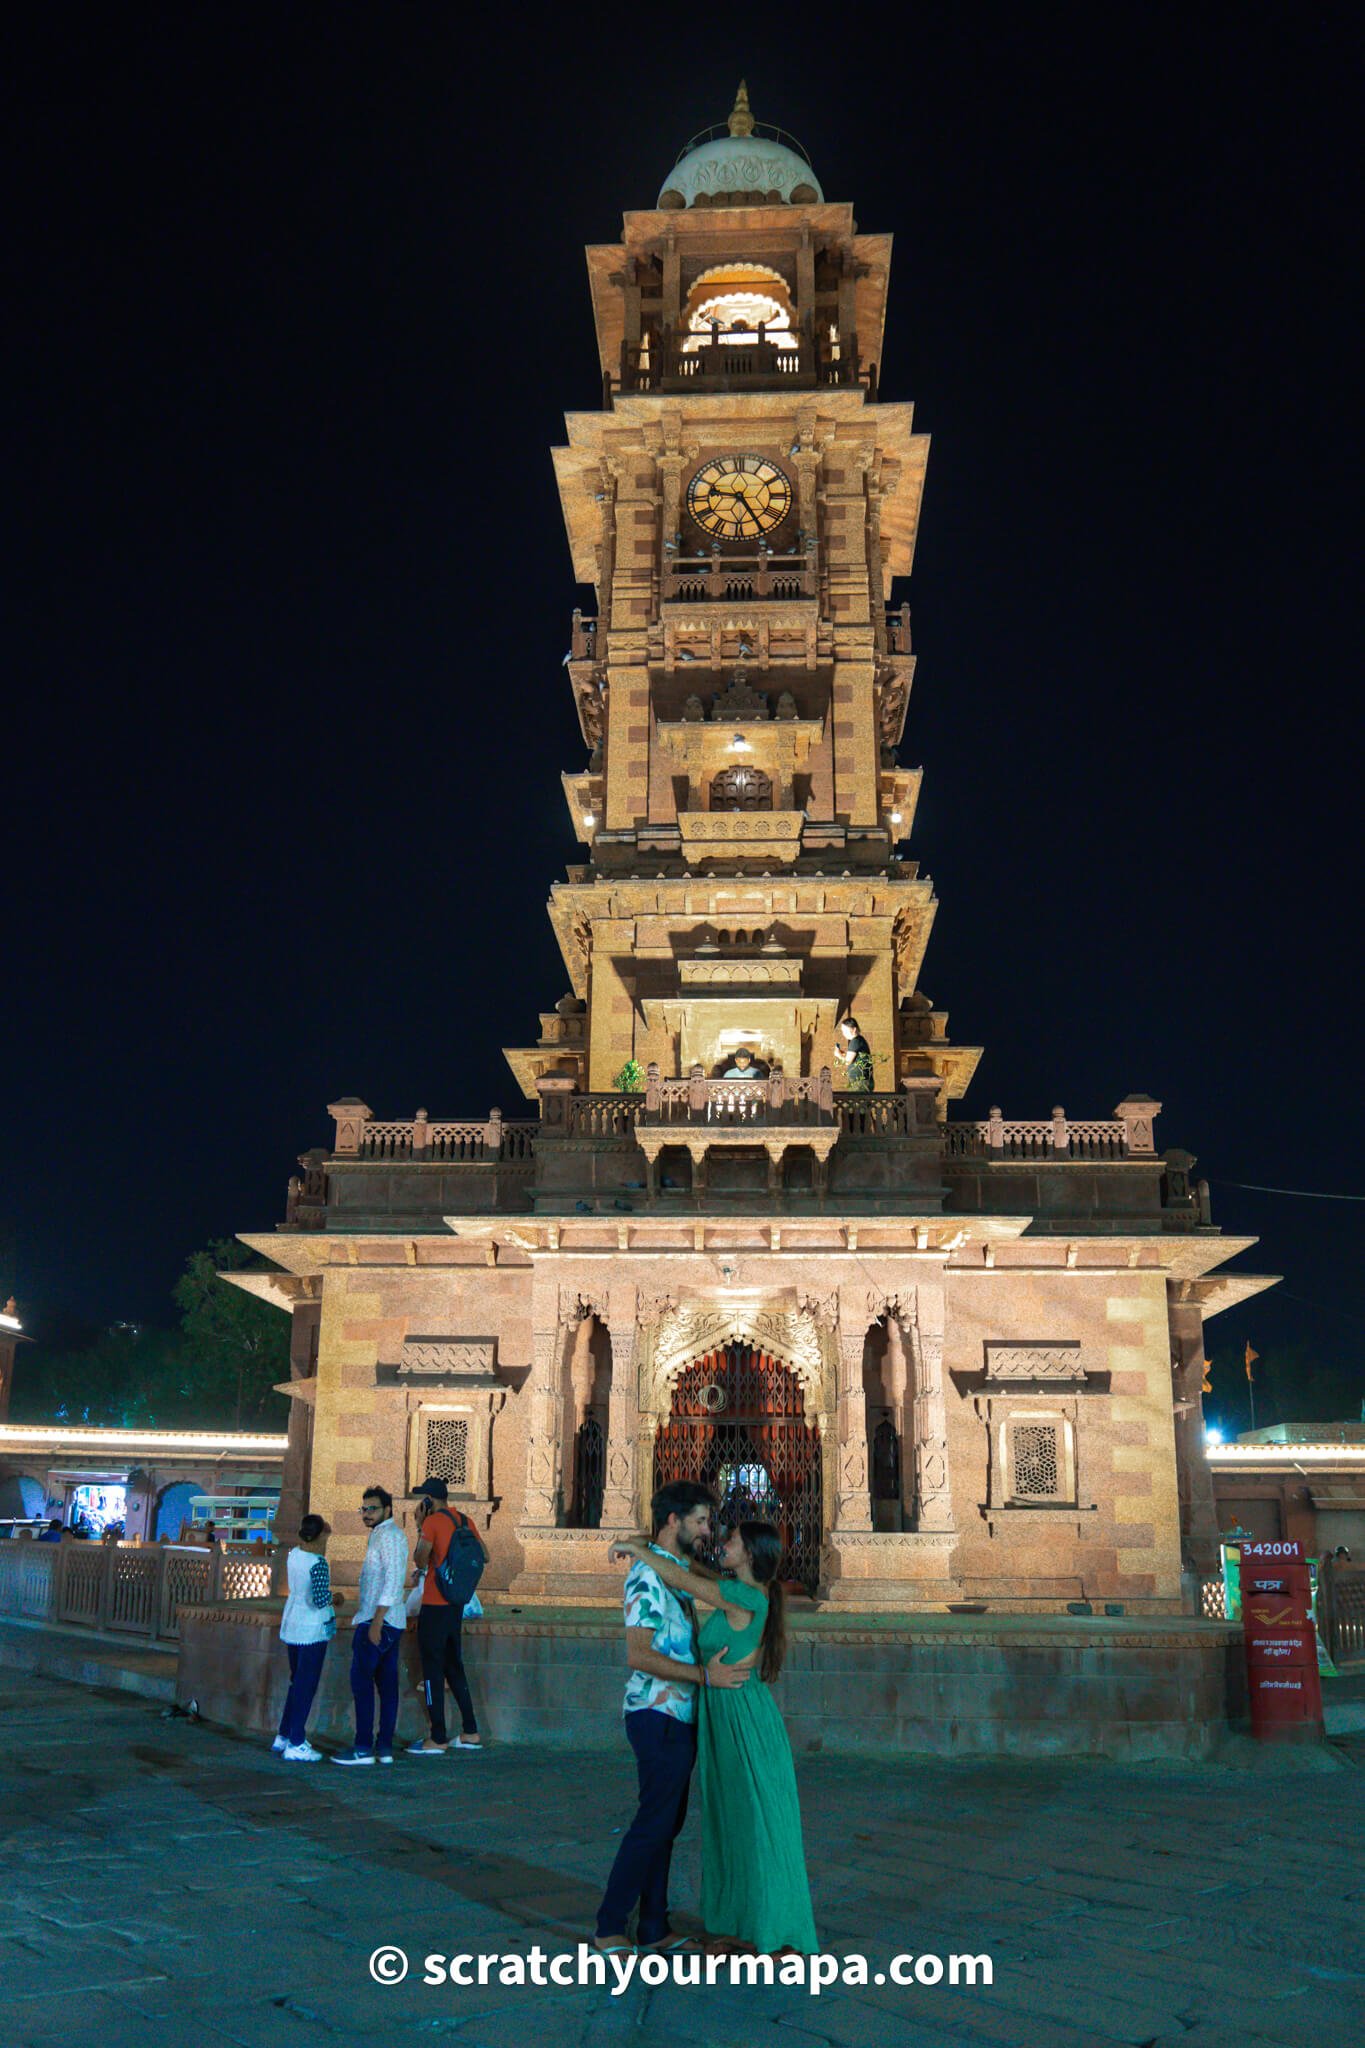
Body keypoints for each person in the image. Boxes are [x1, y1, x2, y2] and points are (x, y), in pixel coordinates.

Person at [612, 1519, 817, 1956]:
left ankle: (769, 1929)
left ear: (750, 1554)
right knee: (735, 1824)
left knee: (755, 1825)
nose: (722, 1543)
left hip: (744, 1723)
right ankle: (744, 1925)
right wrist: (657, 1547)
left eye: (732, 1541)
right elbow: (698, 1575)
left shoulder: (744, 1596)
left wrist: (636, 1549)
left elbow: (683, 1578)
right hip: (729, 1719)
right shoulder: (745, 1590)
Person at [594, 1482, 749, 1956]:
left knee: (667, 1821)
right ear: (673, 1521)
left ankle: (654, 1926)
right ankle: (608, 1925)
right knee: (654, 1821)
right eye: (700, 1521)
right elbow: (638, 1655)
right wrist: (704, 1675)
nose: (707, 1530)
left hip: (678, 1714)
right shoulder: (645, 1578)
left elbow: (700, 1578)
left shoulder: (673, 1570)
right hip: (655, 1714)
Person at [409, 1477, 488, 1755]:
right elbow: (485, 1555)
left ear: (430, 1500)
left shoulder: (431, 1523)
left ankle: (437, 1737)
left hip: (434, 1603)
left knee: (432, 1670)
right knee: (454, 1666)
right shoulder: (465, 1520)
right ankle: (470, 1732)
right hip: (456, 1604)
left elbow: (420, 1559)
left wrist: (421, 1527)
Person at [333, 1484, 409, 1767]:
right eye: (363, 1509)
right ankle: (384, 1748)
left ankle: (364, 1747)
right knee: (387, 1686)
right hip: (390, 1621)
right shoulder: (384, 1535)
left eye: (372, 1508)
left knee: (362, 1683)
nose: (366, 1513)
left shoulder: (388, 1536)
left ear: (387, 1510)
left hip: (379, 1621)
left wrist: (376, 1621)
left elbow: (393, 1579)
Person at [273, 1513, 336, 1761]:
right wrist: (336, 1598)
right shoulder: (317, 1562)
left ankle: (284, 1735)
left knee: (295, 1682)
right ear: (320, 1536)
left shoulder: (294, 1555)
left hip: (293, 1623)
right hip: (311, 1629)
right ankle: (296, 1742)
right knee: (305, 1685)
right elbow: (320, 1599)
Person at [834, 1014, 874, 1092]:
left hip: (859, 1081)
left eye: (845, 1031)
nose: (843, 1033)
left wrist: (838, 1055)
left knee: (859, 1103)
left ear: (854, 1029)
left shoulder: (855, 1041)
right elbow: (856, 1058)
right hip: (861, 1080)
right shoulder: (859, 1040)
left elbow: (847, 1062)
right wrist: (844, 1054)